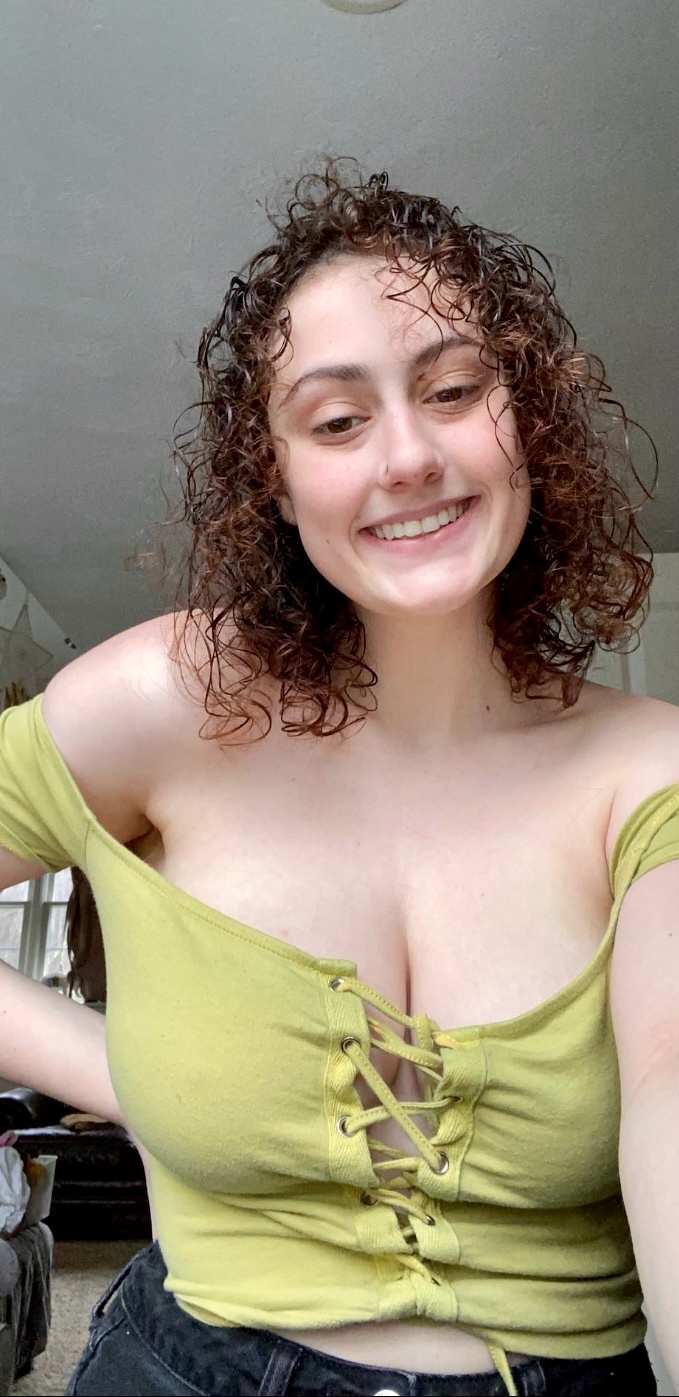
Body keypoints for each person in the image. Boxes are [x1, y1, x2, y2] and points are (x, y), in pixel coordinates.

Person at [0, 163, 677, 1397]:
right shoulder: (159, 700)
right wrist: (119, 1072)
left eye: (453, 390)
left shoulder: (651, 774)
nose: (407, 455)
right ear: (274, 473)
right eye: (336, 419)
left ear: (527, 417)